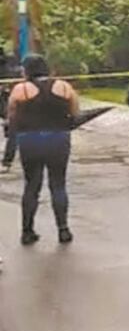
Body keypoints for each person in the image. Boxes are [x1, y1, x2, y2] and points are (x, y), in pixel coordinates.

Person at [6, 55, 79, 245]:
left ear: (27, 70)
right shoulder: (63, 87)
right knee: (58, 185)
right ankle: (63, 230)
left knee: (32, 186)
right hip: (58, 139)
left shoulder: (21, 89)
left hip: (30, 140)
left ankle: (27, 231)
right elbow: (75, 112)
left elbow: (11, 116)